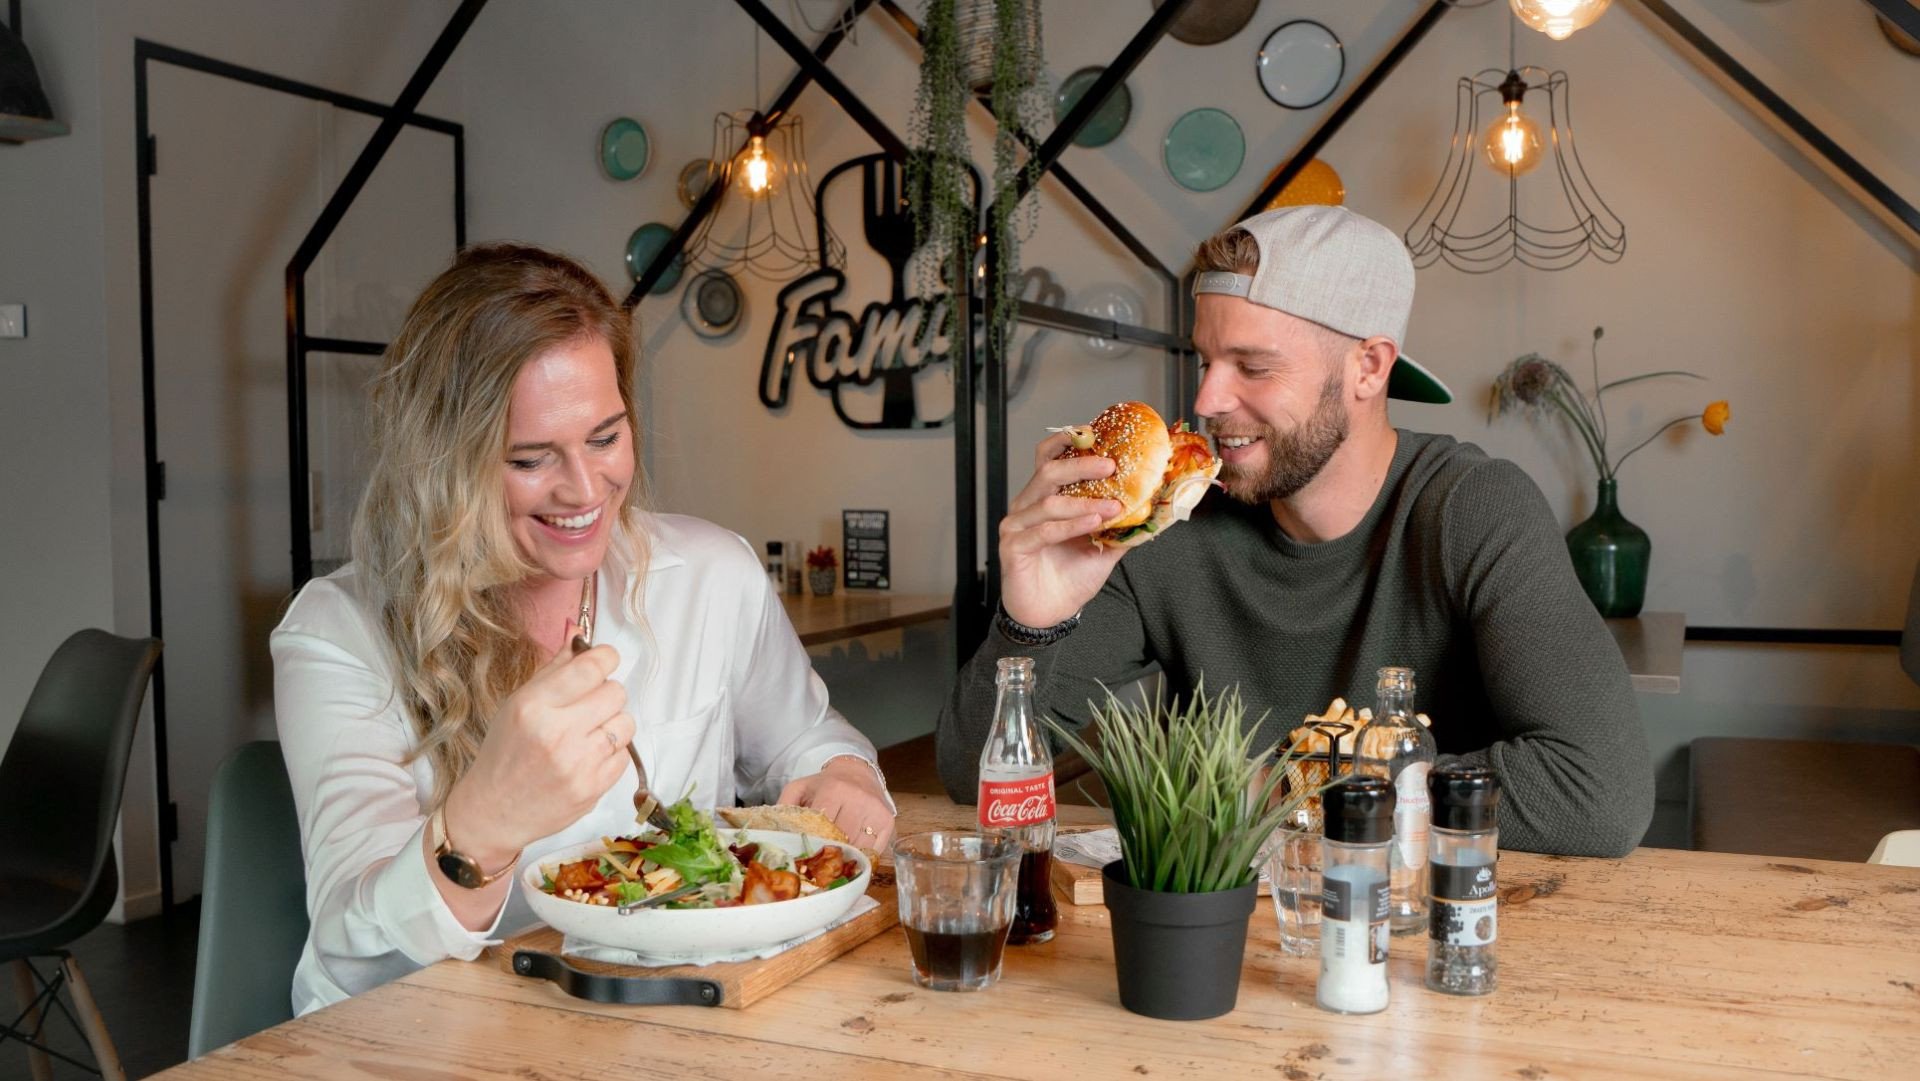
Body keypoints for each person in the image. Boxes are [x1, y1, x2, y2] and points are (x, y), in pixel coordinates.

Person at [272, 243, 894, 1016]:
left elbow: (806, 740)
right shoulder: (339, 634)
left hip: (660, 1024)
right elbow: (353, 955)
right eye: (531, 458)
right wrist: (484, 823)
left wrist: (845, 777)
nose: (583, 488)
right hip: (421, 1041)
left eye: (605, 438)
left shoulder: (710, 574)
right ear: (444, 463)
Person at [936, 206, 1653, 858]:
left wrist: (1274, 790)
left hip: (1422, 938)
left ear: (1368, 367)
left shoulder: (1473, 508)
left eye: (1253, 366)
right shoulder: (1171, 522)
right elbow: (973, 778)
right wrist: (1032, 623)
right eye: (1206, 360)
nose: (1208, 400)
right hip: (1219, 939)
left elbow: (1599, 792)